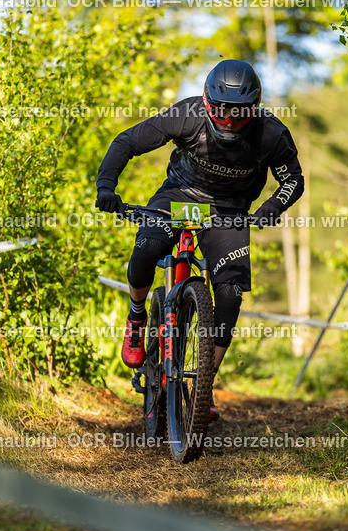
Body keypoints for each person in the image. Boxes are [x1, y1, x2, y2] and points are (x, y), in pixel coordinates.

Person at [95, 59, 304, 419]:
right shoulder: (187, 115)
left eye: (239, 113)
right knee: (147, 247)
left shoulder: (271, 134)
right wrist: (106, 187)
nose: (228, 120)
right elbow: (127, 141)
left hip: (227, 211)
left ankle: (203, 385)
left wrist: (271, 207)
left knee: (229, 293)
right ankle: (136, 317)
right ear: (207, 102)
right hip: (178, 197)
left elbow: (293, 181)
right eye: (221, 110)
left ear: (254, 108)